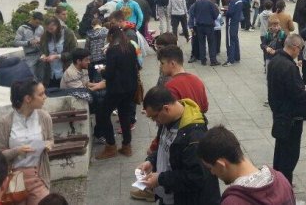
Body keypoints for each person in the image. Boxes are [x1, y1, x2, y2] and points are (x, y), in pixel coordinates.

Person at [137, 86, 221, 205]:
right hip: (169, 195)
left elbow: (196, 177)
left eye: (154, 117)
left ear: (166, 109)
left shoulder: (194, 137)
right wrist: (151, 161)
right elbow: (165, 147)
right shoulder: (167, 120)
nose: (155, 121)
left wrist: (160, 179)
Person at [267, 34, 306, 185]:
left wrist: (301, 86)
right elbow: (297, 95)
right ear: (295, 47)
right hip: (291, 117)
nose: (301, 52)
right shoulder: (289, 66)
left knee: (280, 151)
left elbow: (285, 87)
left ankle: (278, 181)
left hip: (279, 112)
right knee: (290, 155)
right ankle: (285, 186)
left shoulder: (275, 61)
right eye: (301, 49)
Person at [197, 125, 296, 205]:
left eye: (210, 168)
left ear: (221, 164)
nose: (212, 172)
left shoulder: (233, 202)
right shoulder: (282, 181)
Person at [0, 79, 54, 205]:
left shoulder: (44, 117)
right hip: (15, 178)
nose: (45, 97)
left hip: (38, 175)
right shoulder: (6, 122)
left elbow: (50, 139)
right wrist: (17, 151)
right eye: (41, 94)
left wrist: (48, 145)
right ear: (28, 99)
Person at [95, 26, 139, 159]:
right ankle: (126, 145)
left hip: (116, 89)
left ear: (111, 36)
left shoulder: (112, 50)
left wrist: (102, 71)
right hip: (130, 88)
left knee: (103, 114)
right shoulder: (130, 47)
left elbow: (109, 74)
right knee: (124, 115)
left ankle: (110, 146)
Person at [159, 45, 209, 113]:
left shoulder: (170, 87)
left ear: (172, 63)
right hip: (200, 121)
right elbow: (205, 108)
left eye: (162, 63)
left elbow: (170, 114)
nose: (160, 66)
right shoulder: (197, 80)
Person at [37, 17, 77, 88]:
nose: (50, 31)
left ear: (58, 26)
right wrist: (42, 55)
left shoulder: (68, 34)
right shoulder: (45, 35)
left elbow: (74, 52)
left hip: (65, 70)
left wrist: (57, 56)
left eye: (52, 29)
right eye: (47, 29)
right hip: (50, 73)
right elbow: (41, 50)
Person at [194, 0, 220, 66]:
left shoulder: (197, 3)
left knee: (201, 43)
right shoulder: (211, 3)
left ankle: (203, 60)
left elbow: (193, 13)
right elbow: (216, 14)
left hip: (199, 26)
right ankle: (213, 60)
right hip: (209, 26)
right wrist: (212, 19)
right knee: (211, 43)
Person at [14, 12, 45, 76]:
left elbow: (44, 39)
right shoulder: (22, 28)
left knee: (42, 76)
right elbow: (16, 42)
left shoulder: (41, 28)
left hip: (40, 55)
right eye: (37, 22)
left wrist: (41, 41)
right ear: (32, 19)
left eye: (39, 23)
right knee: (31, 76)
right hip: (29, 56)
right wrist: (28, 42)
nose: (38, 25)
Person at [223, 0, 242, 66]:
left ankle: (230, 60)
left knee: (230, 42)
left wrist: (225, 11)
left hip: (231, 23)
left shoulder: (233, 1)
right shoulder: (239, 0)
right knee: (235, 39)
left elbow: (229, 13)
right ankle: (237, 57)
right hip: (236, 22)